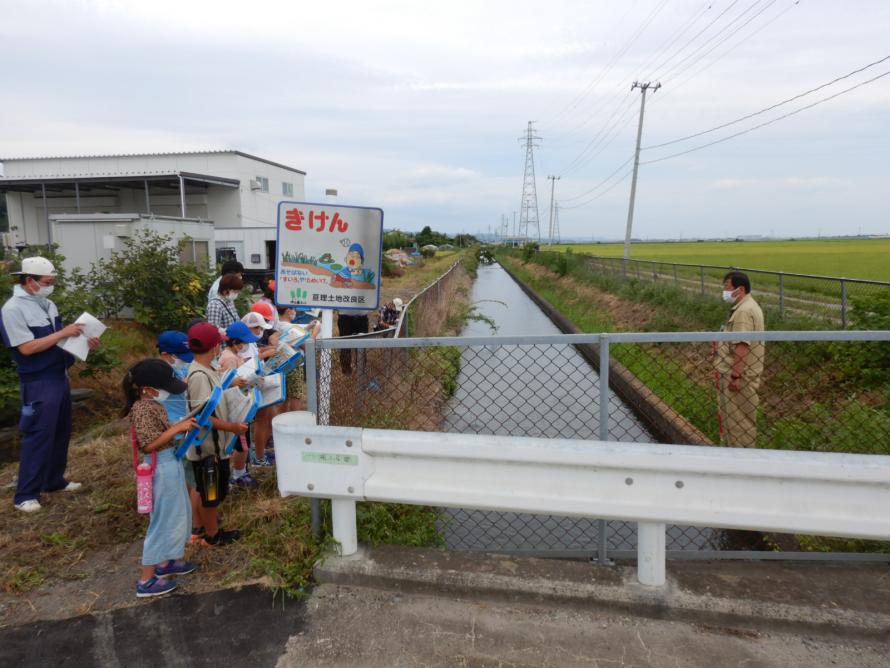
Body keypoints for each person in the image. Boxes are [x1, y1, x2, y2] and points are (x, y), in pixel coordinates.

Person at [0, 257, 100, 513]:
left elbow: (60, 341)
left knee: (61, 430)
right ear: (29, 281)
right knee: (38, 434)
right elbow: (26, 347)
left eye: (53, 282)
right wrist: (62, 333)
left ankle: (53, 480)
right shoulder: (13, 309)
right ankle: (26, 494)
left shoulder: (48, 304)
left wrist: (83, 341)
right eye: (47, 282)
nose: (50, 286)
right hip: (38, 380)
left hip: (59, 375)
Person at [122, 359, 198, 598]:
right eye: (165, 386)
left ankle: (167, 562)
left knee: (177, 514)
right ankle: (147, 580)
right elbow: (148, 444)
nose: (168, 392)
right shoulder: (142, 408)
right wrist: (176, 429)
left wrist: (179, 426)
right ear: (147, 388)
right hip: (159, 468)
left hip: (170, 462)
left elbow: (160, 431)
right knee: (162, 521)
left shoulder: (153, 404)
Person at [185, 322, 248, 545]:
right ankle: (212, 536)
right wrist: (232, 428)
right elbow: (202, 417)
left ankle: (208, 527)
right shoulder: (199, 376)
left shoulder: (206, 369)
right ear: (214, 348)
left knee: (211, 490)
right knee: (210, 492)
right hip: (207, 447)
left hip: (214, 445)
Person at [156, 331, 204, 542]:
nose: (185, 359)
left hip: (185, 425)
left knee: (186, 476)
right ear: (166, 354)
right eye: (180, 355)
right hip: (176, 431)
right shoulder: (157, 376)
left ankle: (189, 521)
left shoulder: (180, 367)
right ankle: (195, 526)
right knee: (193, 479)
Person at [714, 271, 765, 448]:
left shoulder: (743, 311)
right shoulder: (748, 307)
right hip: (738, 375)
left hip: (738, 379)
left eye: (727, 287)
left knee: (738, 427)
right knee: (734, 422)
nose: (724, 291)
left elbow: (742, 346)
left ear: (740, 289)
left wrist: (736, 376)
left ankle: (740, 462)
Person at [217, 321, 261, 489]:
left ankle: (239, 471)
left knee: (242, 442)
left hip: (239, 404)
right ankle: (239, 474)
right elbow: (227, 383)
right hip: (237, 408)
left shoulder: (232, 355)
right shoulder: (229, 359)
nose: (246, 345)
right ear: (235, 342)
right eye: (244, 342)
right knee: (242, 444)